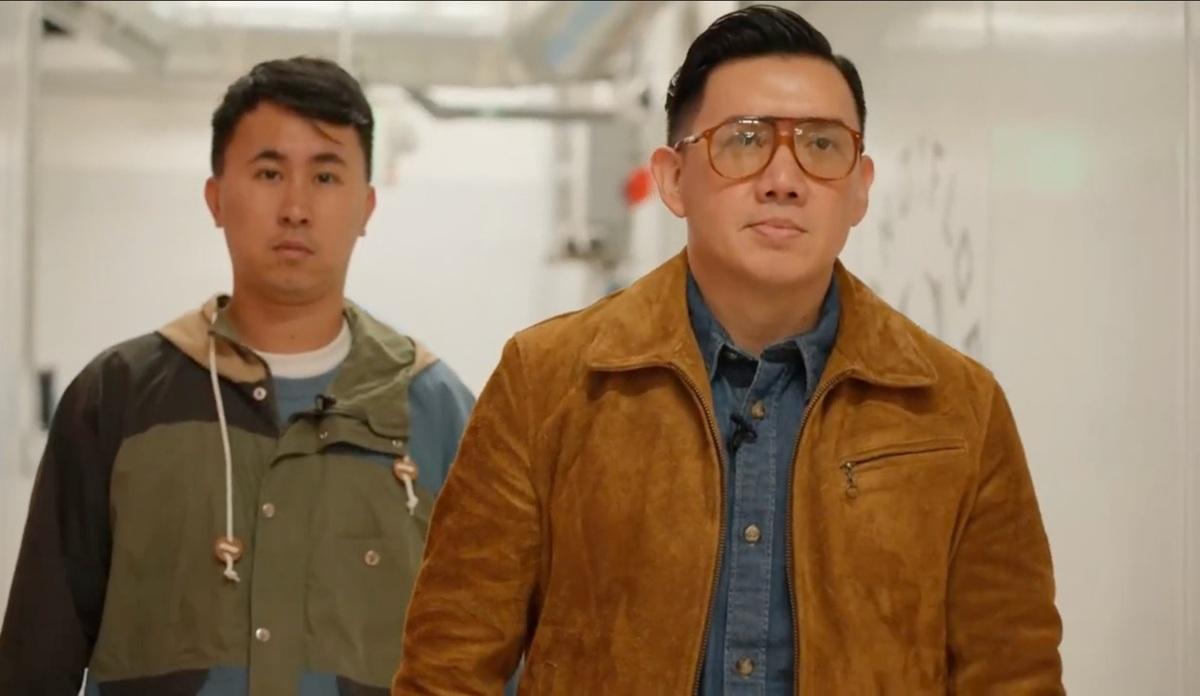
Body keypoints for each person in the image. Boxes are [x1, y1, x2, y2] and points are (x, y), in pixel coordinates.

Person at [393, 5, 1063, 694]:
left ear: (861, 188)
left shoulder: (956, 408)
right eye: (744, 141)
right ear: (672, 179)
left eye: (822, 145)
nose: (784, 179)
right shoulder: (549, 381)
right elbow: (449, 668)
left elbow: (1013, 674)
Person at [0, 56, 475, 695]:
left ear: (366, 206)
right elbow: (37, 655)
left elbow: (486, 655)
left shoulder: (435, 411)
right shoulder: (119, 402)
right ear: (216, 197)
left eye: (326, 175)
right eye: (269, 172)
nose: (296, 207)